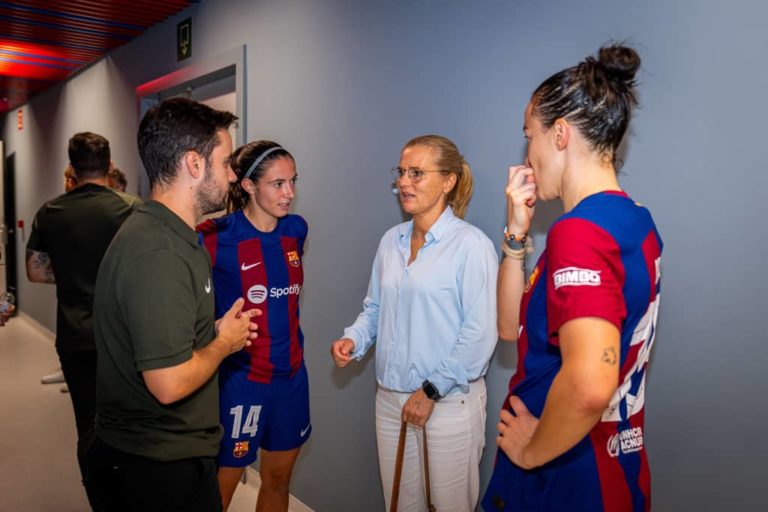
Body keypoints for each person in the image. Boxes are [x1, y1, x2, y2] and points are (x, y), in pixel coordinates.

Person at [481, 45, 662, 512]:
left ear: (560, 134)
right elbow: (509, 329)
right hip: (614, 461)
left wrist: (530, 448)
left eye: (530, 136)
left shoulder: (578, 233)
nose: (528, 154)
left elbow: (588, 383)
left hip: (563, 475)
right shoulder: (634, 220)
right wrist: (516, 236)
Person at [88, 98, 259, 512]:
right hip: (156, 467)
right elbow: (167, 385)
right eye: (224, 163)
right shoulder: (158, 251)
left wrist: (211, 333)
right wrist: (225, 344)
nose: (232, 174)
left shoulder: (172, 236)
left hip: (164, 455)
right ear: (193, 165)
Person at [331, 135, 498, 511]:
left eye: (417, 173)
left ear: (449, 180)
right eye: (402, 173)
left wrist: (430, 392)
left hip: (448, 403)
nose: (404, 182)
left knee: (451, 506)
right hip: (390, 400)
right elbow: (375, 308)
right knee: (400, 506)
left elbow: (480, 333)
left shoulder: (471, 246)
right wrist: (354, 340)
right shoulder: (391, 241)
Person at [25, 132, 140, 507]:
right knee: (130, 422)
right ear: (109, 165)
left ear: (72, 168)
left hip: (75, 338)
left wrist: (74, 271)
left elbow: (35, 272)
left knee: (88, 425)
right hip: (125, 339)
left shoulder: (51, 212)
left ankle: (100, 499)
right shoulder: (131, 208)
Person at [198, 140, 310, 511]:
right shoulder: (214, 236)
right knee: (220, 492)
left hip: (291, 378)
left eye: (293, 181)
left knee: (278, 481)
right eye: (278, 184)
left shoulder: (296, 229)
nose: (289, 193)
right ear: (247, 186)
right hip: (241, 382)